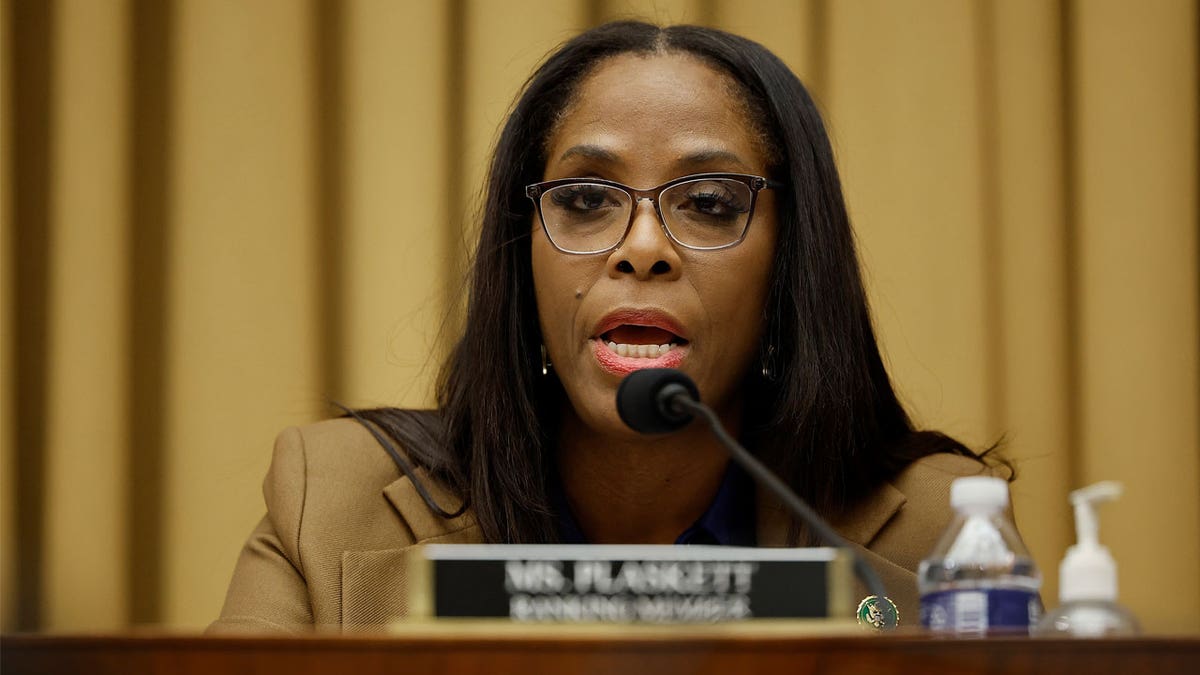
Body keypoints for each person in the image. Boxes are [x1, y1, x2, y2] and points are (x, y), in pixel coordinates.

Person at [211, 20, 1010, 633]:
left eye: (708, 203)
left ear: (791, 264)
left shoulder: (941, 536)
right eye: (586, 201)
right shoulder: (330, 499)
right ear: (520, 252)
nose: (642, 249)